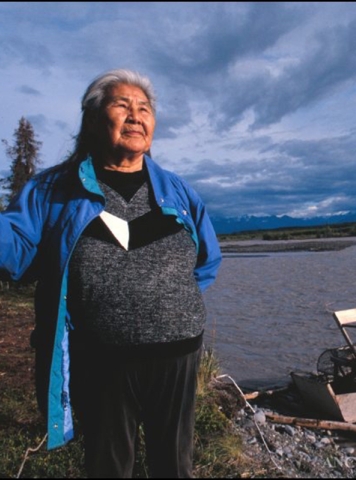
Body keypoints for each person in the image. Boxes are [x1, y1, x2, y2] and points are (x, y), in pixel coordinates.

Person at [0, 69, 222, 478]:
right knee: (108, 466)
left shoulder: (177, 190)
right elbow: (14, 248)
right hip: (101, 359)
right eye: (122, 105)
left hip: (178, 355)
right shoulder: (53, 190)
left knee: (175, 466)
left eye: (145, 109)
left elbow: (206, 260)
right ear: (92, 119)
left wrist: (170, 303)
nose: (136, 116)